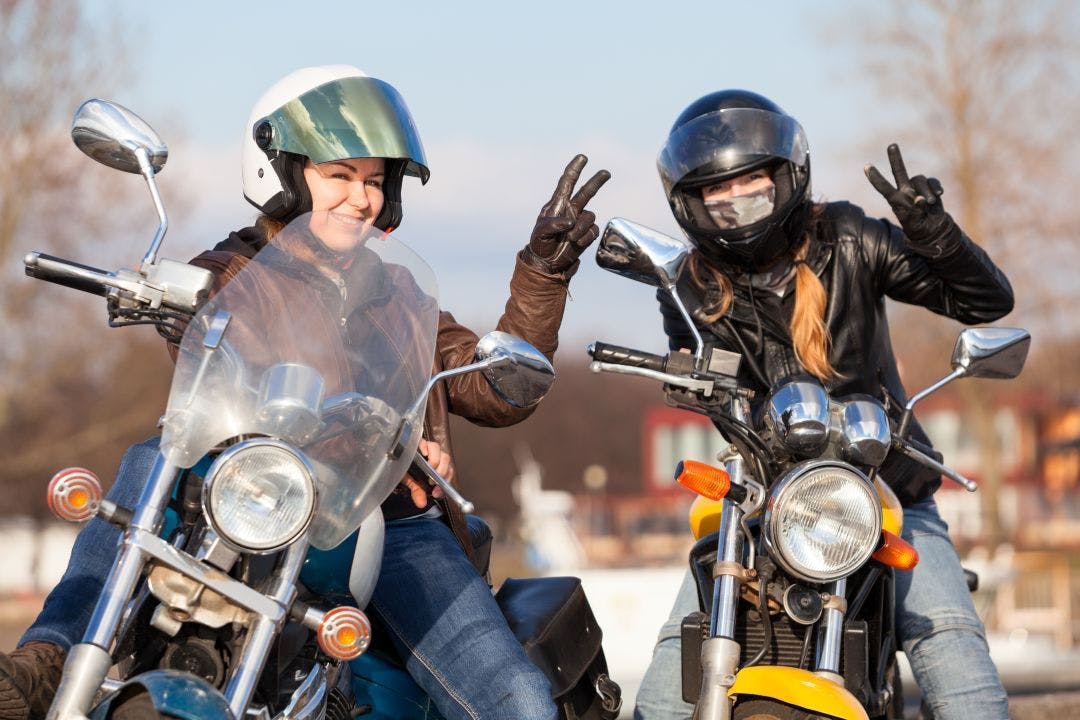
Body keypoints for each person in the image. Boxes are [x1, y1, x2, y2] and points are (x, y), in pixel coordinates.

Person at [0, 65, 610, 720]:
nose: (362, 199)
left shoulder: (402, 295)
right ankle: (52, 656)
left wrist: (544, 273)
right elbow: (207, 349)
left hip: (386, 517)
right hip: (256, 497)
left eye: (375, 182)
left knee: (518, 702)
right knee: (152, 457)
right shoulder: (231, 272)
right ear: (284, 173)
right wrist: (186, 315)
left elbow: (496, 391)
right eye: (340, 176)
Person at [633, 90, 1012, 720]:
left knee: (950, 645)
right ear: (689, 202)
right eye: (716, 192)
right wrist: (690, 381)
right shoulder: (692, 285)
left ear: (787, 176)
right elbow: (707, 379)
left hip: (888, 486)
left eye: (750, 182)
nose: (734, 201)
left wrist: (933, 233)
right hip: (765, 501)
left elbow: (984, 304)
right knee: (670, 672)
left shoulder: (849, 236)